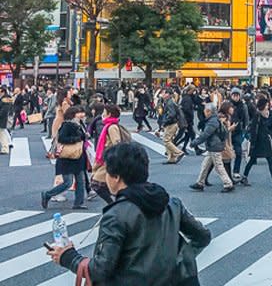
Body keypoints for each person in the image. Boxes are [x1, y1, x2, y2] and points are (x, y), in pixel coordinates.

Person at [47, 142, 211, 286]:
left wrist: (68, 257)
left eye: (107, 172)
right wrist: (181, 258)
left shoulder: (116, 215)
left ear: (116, 177)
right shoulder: (172, 203)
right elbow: (202, 236)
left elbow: (101, 269)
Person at [189, 103, 234, 193]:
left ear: (209, 111)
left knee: (218, 166)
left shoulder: (212, 122)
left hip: (214, 146)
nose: (204, 112)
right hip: (213, 146)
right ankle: (200, 183)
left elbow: (205, 134)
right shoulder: (214, 119)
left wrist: (194, 143)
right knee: (205, 165)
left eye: (205, 110)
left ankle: (228, 183)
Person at [91, 104, 130, 204]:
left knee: (97, 183)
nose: (102, 115)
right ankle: (117, 202)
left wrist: (113, 157)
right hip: (107, 159)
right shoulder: (109, 125)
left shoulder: (112, 127)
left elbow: (117, 143)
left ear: (109, 114)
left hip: (109, 160)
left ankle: (113, 204)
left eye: (104, 113)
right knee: (102, 184)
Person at [241, 97, 272, 188]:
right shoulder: (257, 115)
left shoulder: (269, 113)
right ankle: (244, 176)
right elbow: (253, 129)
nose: (267, 107)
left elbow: (271, 124)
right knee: (252, 160)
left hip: (266, 139)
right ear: (262, 106)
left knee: (270, 159)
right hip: (258, 141)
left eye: (268, 105)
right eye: (266, 105)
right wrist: (252, 143)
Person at [228, 87, 250, 179]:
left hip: (238, 131)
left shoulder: (243, 106)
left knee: (238, 151)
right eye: (234, 95)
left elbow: (246, 118)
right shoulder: (227, 104)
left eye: (237, 95)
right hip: (228, 131)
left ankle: (236, 171)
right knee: (226, 153)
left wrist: (245, 129)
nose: (235, 97)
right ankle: (227, 171)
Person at [159, 89, 184, 164]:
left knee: (166, 140)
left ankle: (178, 152)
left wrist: (165, 121)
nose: (161, 95)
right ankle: (171, 158)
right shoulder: (169, 101)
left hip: (171, 124)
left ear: (167, 94)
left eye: (163, 93)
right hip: (172, 123)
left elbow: (172, 114)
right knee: (169, 140)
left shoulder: (169, 102)